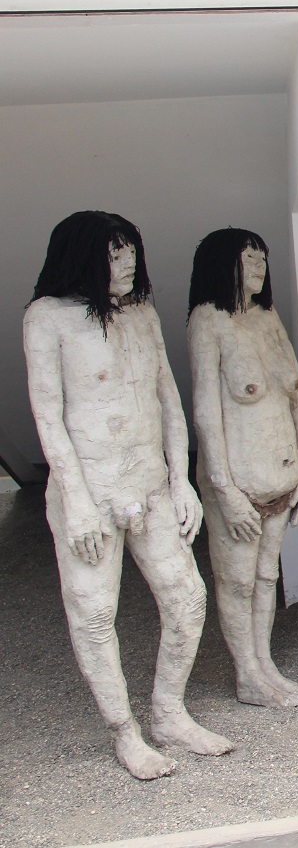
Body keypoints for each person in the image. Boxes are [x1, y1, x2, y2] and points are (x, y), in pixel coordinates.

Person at [23, 211, 233, 779]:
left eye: (130, 252)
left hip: (150, 482)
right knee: (94, 615)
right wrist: (76, 501)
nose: (127, 263)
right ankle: (124, 732)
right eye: (114, 253)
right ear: (83, 258)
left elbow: (168, 400)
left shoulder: (141, 314)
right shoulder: (47, 319)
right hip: (90, 489)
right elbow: (49, 418)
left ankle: (169, 711)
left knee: (188, 599)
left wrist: (181, 479)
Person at [188, 228, 298, 708]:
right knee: (237, 581)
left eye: (263, 259)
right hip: (239, 483)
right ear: (225, 264)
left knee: (266, 576)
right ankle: (247, 673)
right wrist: (224, 490)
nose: (259, 268)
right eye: (249, 259)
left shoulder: (267, 316)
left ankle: (264, 664)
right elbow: (205, 411)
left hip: (281, 474)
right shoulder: (208, 320)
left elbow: (295, 398)